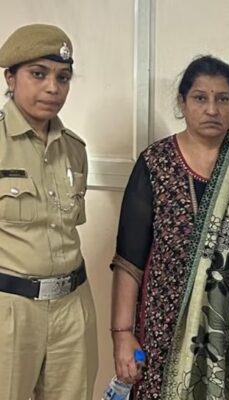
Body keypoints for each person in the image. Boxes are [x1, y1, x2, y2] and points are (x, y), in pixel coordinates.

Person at [110, 55, 229, 400]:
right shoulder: (156, 162)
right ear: (182, 102)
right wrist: (122, 334)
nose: (212, 109)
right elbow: (129, 260)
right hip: (164, 327)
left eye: (223, 98)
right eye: (200, 98)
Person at [0, 24, 97, 400]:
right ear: (10, 78)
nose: (53, 88)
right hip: (10, 308)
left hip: (72, 305)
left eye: (63, 77)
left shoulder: (74, 148)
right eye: (38, 74)